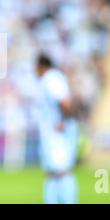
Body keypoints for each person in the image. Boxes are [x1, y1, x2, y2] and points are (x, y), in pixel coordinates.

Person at [35, 54, 79, 204]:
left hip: (58, 132)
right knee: (53, 172)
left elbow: (65, 102)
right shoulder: (53, 78)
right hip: (53, 132)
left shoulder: (51, 79)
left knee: (62, 171)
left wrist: (62, 121)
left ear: (41, 67)